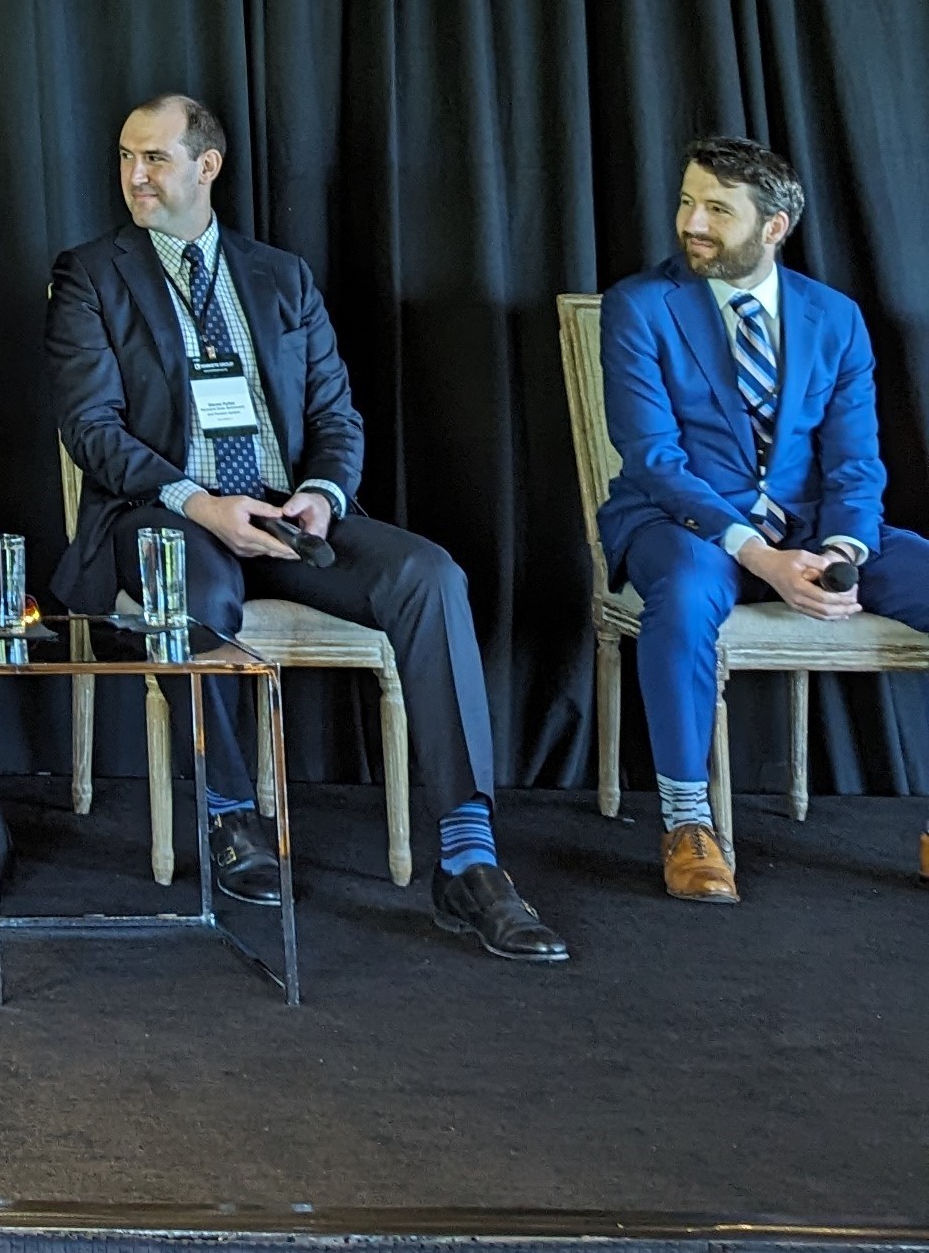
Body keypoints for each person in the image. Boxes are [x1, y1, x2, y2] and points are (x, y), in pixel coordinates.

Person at [45, 94, 568, 962]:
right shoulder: (92, 275)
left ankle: (469, 858)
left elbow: (336, 415)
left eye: (155, 159)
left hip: (288, 513)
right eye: (126, 158)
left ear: (207, 166)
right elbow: (92, 429)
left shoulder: (280, 276)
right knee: (196, 584)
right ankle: (229, 815)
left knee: (430, 576)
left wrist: (322, 495)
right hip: (166, 512)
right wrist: (201, 503)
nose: (135, 176)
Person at [597, 135, 929, 900]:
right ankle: (689, 824)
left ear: (774, 226)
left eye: (718, 209)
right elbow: (653, 458)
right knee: (684, 596)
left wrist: (842, 550)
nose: (692, 222)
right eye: (687, 201)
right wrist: (757, 554)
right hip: (681, 524)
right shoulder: (639, 306)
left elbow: (856, 461)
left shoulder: (835, 318)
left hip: (812, 529)